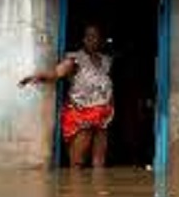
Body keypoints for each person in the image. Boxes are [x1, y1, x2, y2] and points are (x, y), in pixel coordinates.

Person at [19, 24, 114, 168]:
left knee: (99, 162)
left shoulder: (106, 61)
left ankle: (97, 183)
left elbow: (107, 85)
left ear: (100, 40)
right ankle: (74, 183)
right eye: (88, 36)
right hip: (82, 113)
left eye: (95, 36)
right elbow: (56, 73)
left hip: (103, 114)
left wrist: (111, 106)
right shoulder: (75, 59)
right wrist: (36, 76)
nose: (91, 40)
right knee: (77, 162)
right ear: (83, 39)